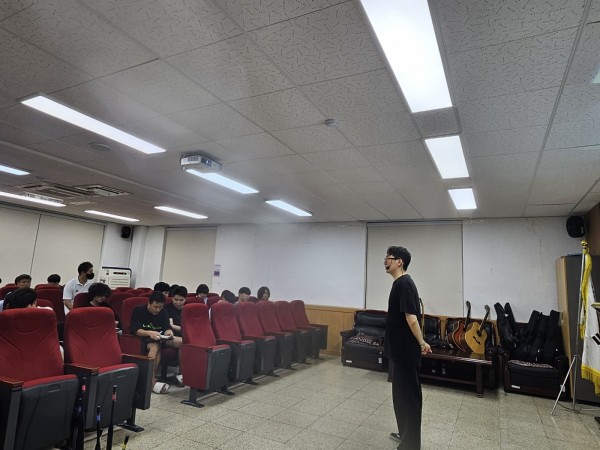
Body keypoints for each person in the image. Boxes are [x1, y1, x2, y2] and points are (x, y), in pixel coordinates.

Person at [384, 246, 431, 450]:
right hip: (398, 352)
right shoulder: (399, 283)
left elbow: (412, 319)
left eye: (389, 258)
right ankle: (405, 434)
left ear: (399, 261)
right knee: (400, 398)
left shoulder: (405, 284)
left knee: (409, 399)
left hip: (405, 353)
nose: (385, 261)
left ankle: (411, 444)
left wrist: (422, 343)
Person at [130, 291, 182, 394]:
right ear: (149, 303)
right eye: (155, 307)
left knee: (182, 342)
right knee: (155, 347)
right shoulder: (139, 311)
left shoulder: (163, 312)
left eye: (160, 307)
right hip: (144, 339)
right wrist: (149, 333)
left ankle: (181, 374)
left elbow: (167, 327)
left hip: (161, 338)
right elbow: (136, 330)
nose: (158, 310)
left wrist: (169, 332)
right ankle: (151, 381)